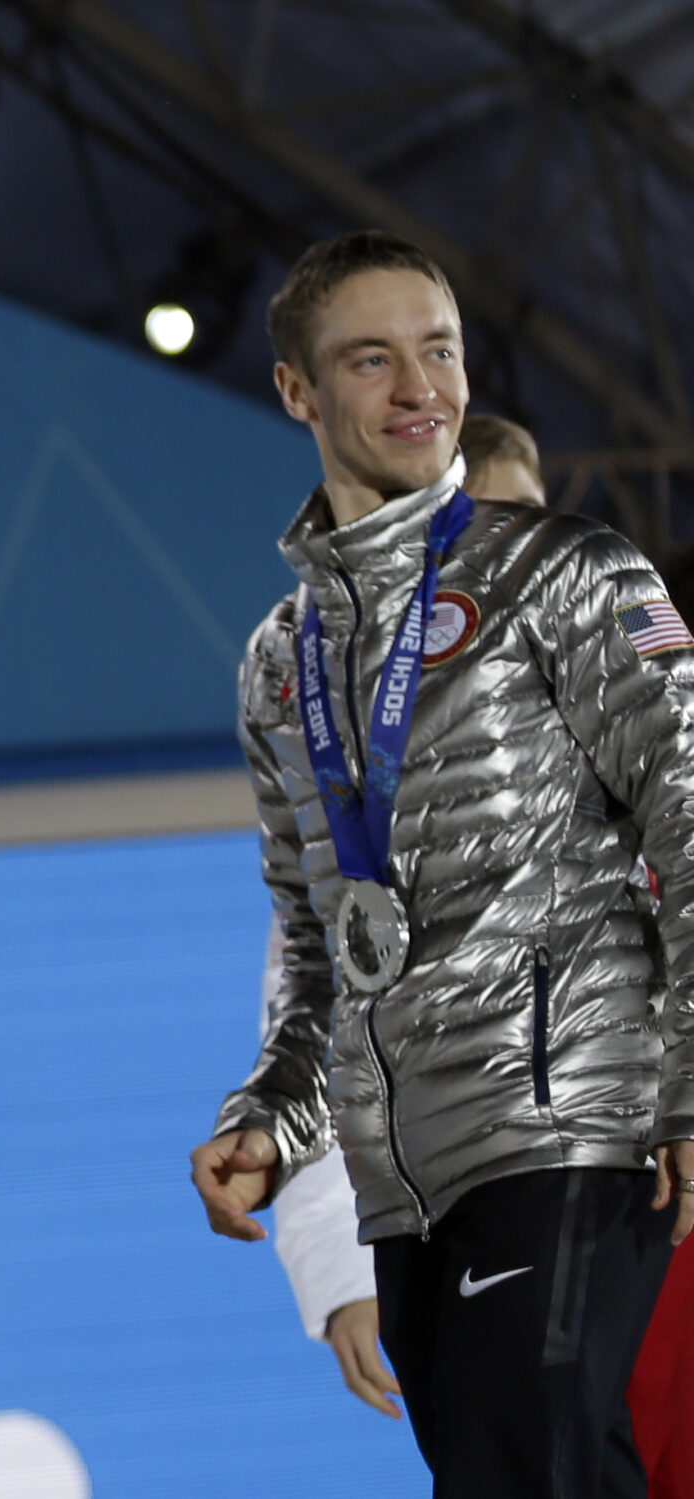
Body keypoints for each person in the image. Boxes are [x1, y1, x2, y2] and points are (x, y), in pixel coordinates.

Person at [189, 230, 694, 1497]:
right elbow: (319, 949)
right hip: (404, 1176)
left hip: (573, 1121)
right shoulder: (278, 661)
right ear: (297, 390)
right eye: (373, 358)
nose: (421, 387)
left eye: (441, 351)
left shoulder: (566, 574)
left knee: (521, 1466)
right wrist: (271, 1116)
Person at [266, 410, 547, 1423]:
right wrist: (338, 1259)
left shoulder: (619, 699)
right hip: (461, 1198)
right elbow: (321, 1009)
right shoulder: (362, 762)